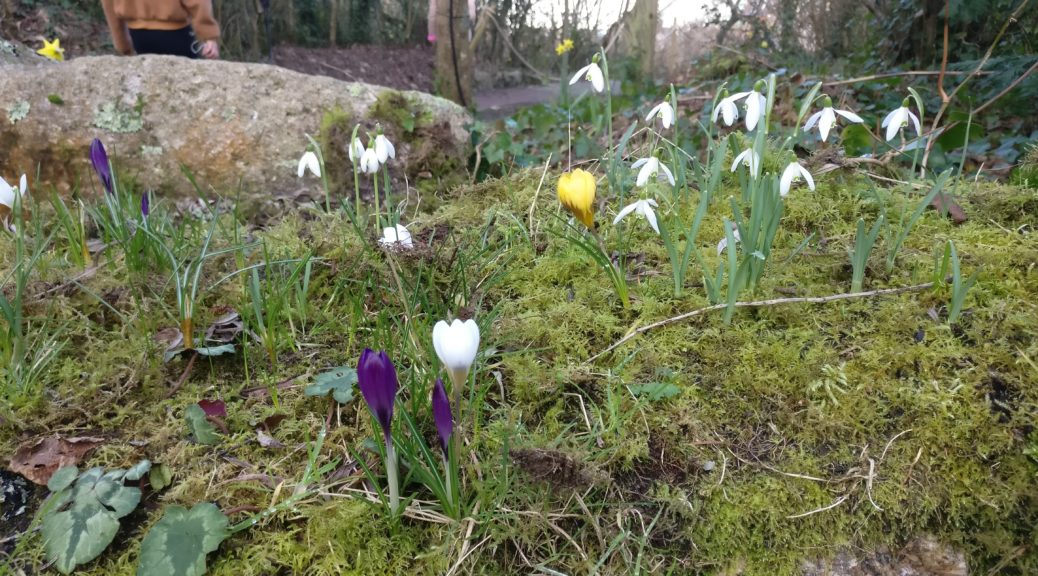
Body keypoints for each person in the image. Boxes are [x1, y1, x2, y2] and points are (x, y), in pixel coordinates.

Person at [101, 0, 220, 59]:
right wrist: (208, 36)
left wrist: (122, 44)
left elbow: (109, 5)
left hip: (138, 38)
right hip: (176, 36)